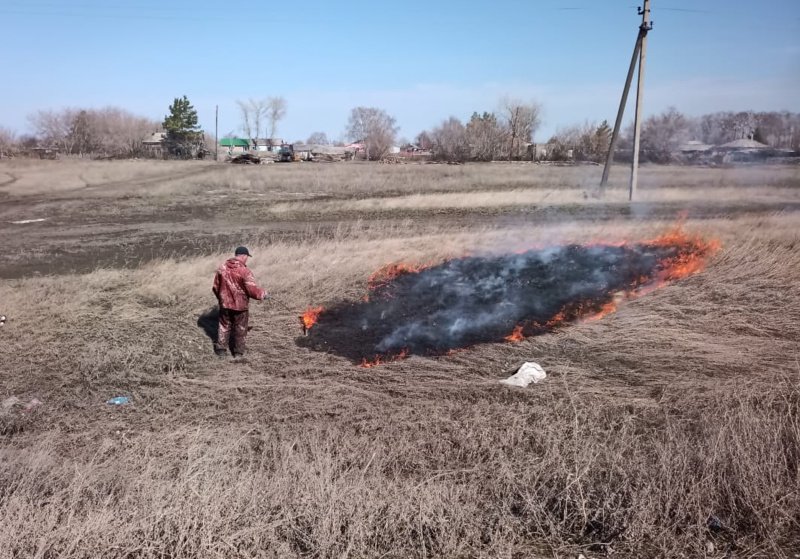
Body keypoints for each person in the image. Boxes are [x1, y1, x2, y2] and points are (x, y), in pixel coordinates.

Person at [212, 246, 267, 360]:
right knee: (240, 328)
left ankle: (221, 350)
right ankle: (238, 353)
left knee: (224, 326)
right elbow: (252, 290)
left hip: (225, 304)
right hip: (240, 306)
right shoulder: (245, 271)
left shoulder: (222, 268)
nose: (247, 259)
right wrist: (263, 294)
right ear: (243, 256)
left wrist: (222, 299)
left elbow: (215, 287)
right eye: (247, 257)